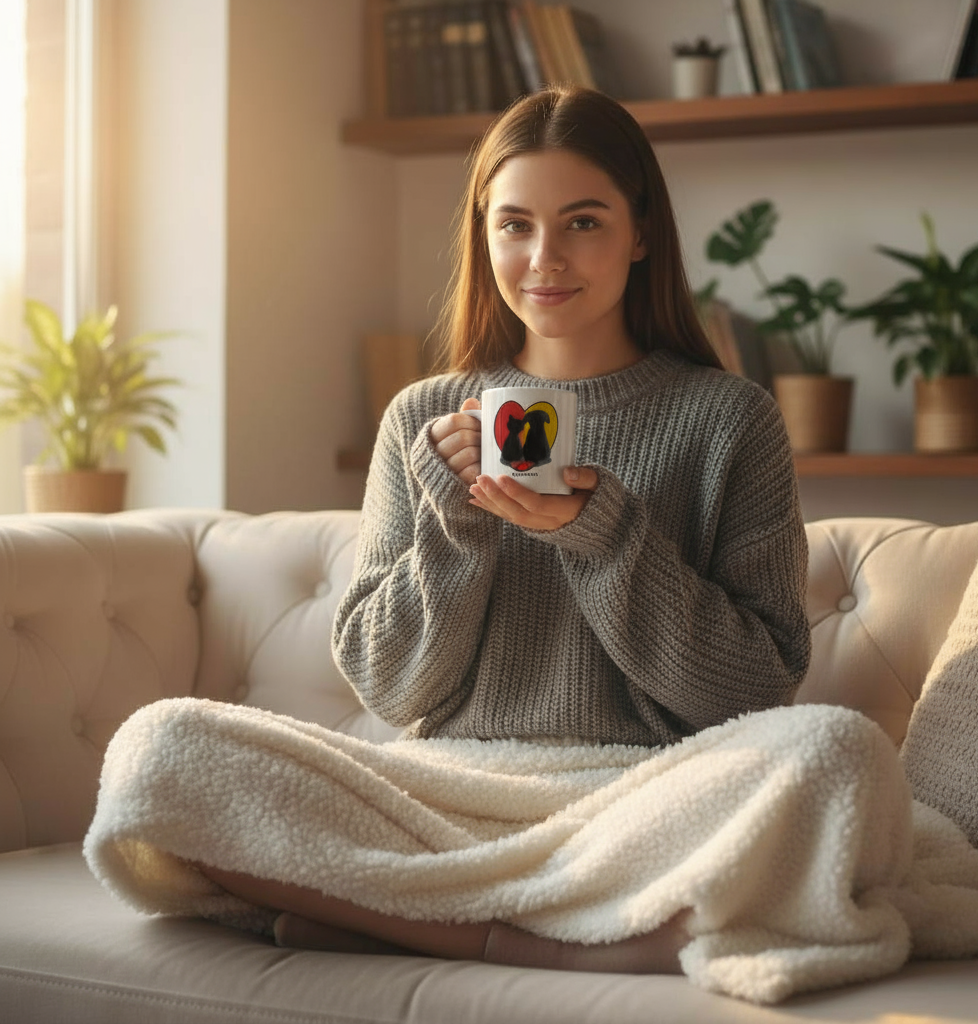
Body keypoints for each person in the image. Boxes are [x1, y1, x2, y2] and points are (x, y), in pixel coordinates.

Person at [197, 84, 811, 973]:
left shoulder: (730, 420)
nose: (544, 258)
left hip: (635, 801)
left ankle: (385, 921)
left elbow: (756, 690)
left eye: (584, 223)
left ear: (642, 234)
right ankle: (541, 937)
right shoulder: (422, 419)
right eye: (514, 225)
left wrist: (604, 535)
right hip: (450, 799)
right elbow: (390, 688)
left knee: (835, 755)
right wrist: (455, 533)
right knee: (162, 750)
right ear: (483, 238)